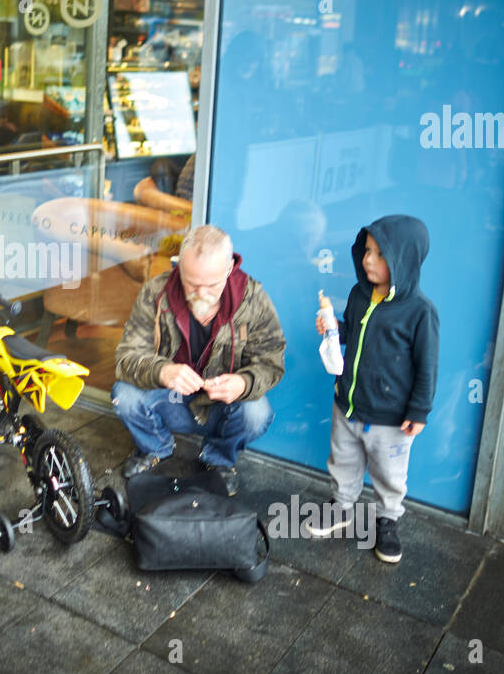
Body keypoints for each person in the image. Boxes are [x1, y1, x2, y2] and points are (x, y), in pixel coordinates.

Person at [112, 224, 285, 495]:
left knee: (257, 413)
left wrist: (242, 383)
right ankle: (156, 448)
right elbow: (126, 357)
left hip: (222, 406)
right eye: (192, 283)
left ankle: (218, 459)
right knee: (124, 395)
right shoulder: (155, 293)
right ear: (180, 266)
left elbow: (272, 361)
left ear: (229, 269)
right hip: (169, 398)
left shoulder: (252, 299)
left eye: (212, 285)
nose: (201, 293)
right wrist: (162, 371)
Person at [306, 215, 439, 564]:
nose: (368, 260)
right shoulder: (359, 294)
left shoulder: (420, 313)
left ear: (403, 260)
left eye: (380, 254)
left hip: (391, 418)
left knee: (389, 472)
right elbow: (352, 333)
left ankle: (387, 519)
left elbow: (427, 366)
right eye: (367, 250)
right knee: (343, 461)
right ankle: (342, 507)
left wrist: (419, 410)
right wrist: (336, 326)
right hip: (348, 404)